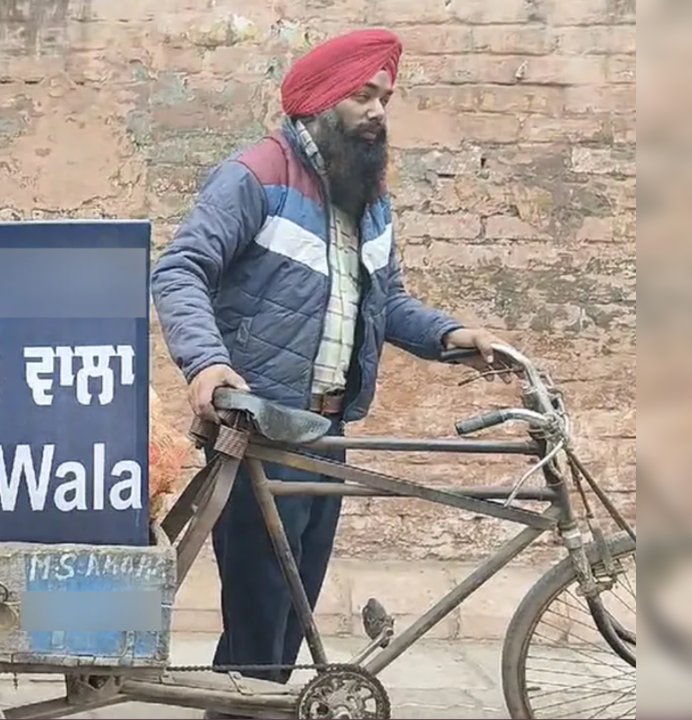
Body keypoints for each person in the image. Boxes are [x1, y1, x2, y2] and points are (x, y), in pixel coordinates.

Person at [150, 28, 506, 716]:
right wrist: (208, 362)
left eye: (385, 98)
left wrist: (455, 336)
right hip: (263, 428)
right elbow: (182, 268)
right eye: (362, 95)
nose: (377, 111)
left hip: (331, 429)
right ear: (319, 101)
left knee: (294, 611)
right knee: (259, 620)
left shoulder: (367, 199)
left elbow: (391, 304)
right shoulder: (257, 175)